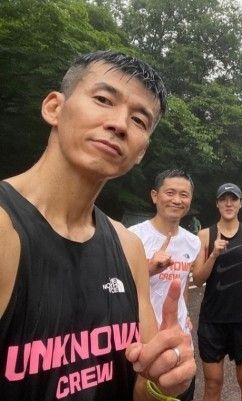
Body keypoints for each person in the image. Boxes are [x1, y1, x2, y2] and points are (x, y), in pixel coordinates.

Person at [0, 51, 195, 400]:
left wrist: (162, 381)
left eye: (139, 120)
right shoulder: (5, 230)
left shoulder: (128, 248)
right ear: (54, 108)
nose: (120, 124)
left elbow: (139, 387)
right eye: (104, 99)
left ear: (141, 152)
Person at [129, 169, 200, 400]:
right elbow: (116, 287)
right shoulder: (133, 237)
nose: (177, 200)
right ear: (155, 196)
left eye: (184, 195)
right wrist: (148, 269)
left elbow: (182, 285)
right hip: (142, 342)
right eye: (170, 192)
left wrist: (186, 315)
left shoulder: (193, 242)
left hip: (179, 340)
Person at [192, 183, 242, 401]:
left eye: (233, 199)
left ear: (240, 204)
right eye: (224, 199)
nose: (229, 203)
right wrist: (213, 254)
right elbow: (198, 279)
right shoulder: (204, 235)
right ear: (217, 204)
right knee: (213, 383)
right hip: (212, 321)